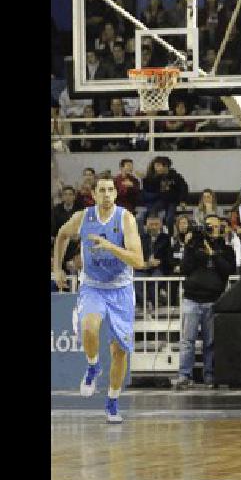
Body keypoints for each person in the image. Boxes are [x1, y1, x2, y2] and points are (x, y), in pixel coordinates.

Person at [53, 175, 144, 423]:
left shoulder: (125, 218)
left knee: (119, 352)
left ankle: (112, 402)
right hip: (93, 287)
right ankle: (93, 366)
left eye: (110, 190)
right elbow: (61, 235)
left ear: (116, 194)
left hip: (121, 290)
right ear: (93, 195)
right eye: (101, 190)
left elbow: (139, 261)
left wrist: (110, 246)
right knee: (89, 328)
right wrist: (57, 269)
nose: (106, 194)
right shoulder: (83, 217)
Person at [175, 214, 236, 389]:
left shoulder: (226, 249)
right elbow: (185, 269)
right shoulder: (194, 245)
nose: (212, 230)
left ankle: (209, 375)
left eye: (215, 227)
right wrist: (189, 247)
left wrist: (213, 254)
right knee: (188, 341)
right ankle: (184, 375)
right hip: (192, 299)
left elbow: (227, 270)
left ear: (221, 229)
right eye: (208, 226)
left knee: (211, 342)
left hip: (213, 300)